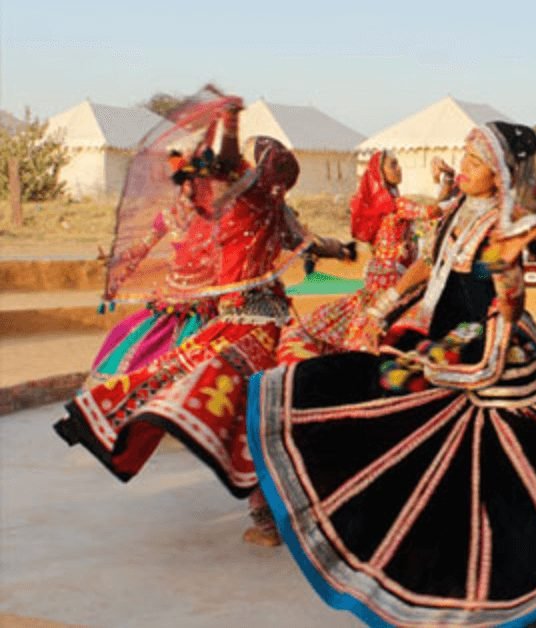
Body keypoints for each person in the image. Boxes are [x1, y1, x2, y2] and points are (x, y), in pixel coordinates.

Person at [246, 121, 536, 626]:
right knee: (390, 414)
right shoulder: (456, 209)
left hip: (488, 346)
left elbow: (508, 301)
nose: (464, 168)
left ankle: (531, 575)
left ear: (501, 175)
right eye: (465, 157)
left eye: (475, 162)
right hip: (446, 338)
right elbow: (429, 265)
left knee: (503, 464)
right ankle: (439, 551)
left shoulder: (509, 226)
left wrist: (483, 361)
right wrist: (382, 305)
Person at [53, 89, 353, 547]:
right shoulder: (273, 206)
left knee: (202, 394)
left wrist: (229, 123)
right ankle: (276, 508)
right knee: (249, 407)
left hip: (238, 321)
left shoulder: (249, 198)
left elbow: (225, 162)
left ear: (262, 171)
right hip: (261, 318)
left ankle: (267, 514)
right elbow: (316, 244)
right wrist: (344, 250)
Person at [274, 150, 453, 362]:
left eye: (398, 164)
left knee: (375, 321)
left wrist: (445, 183)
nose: (399, 169)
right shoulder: (396, 205)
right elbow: (435, 211)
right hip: (391, 277)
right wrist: (450, 181)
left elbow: (433, 211)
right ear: (381, 173)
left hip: (381, 273)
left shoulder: (385, 204)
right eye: (393, 165)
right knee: (385, 324)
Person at [86, 148, 221, 386]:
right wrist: (119, 261)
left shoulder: (216, 218)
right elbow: (143, 247)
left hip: (207, 300)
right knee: (122, 335)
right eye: (189, 182)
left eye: (200, 182)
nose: (194, 187)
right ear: (182, 184)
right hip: (172, 299)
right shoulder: (169, 216)